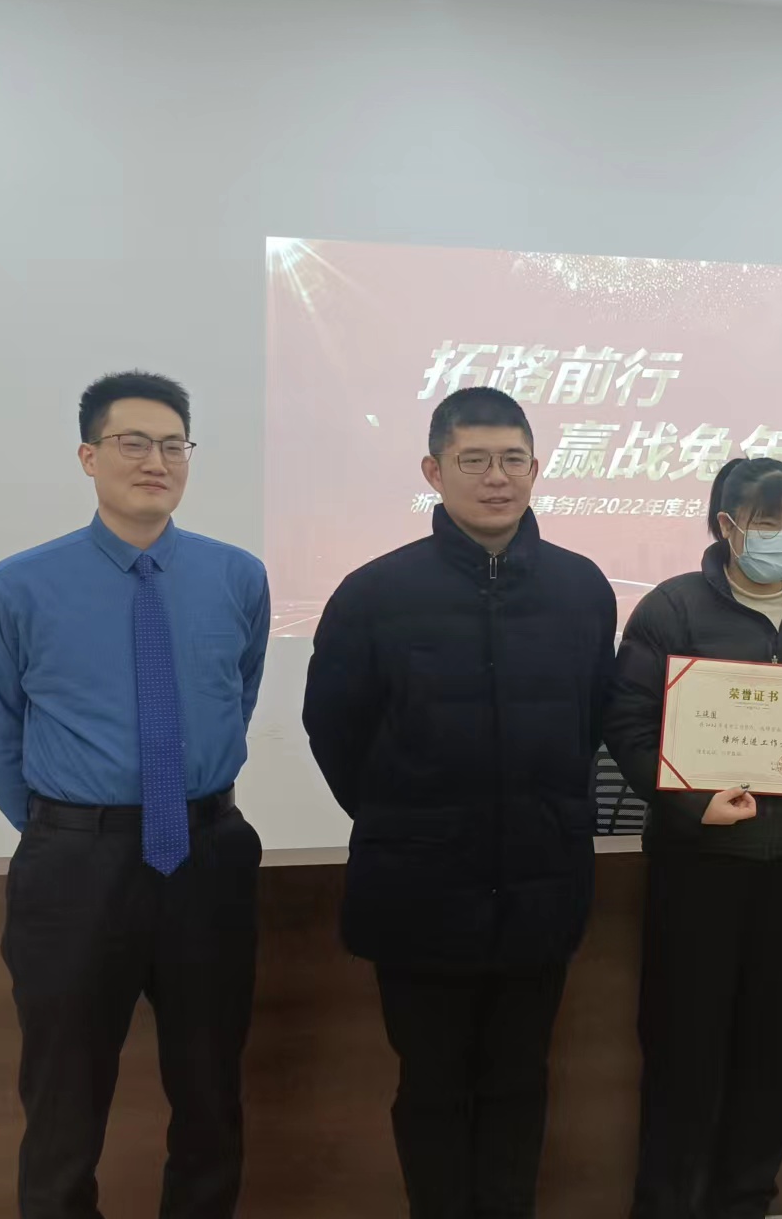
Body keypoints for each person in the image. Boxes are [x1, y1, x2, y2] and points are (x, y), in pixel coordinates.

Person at [301, 386, 616, 1219]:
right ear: (433, 471)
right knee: (432, 1085)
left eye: (513, 459)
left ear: (537, 468)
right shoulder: (374, 593)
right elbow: (334, 730)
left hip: (540, 887)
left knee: (520, 1081)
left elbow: (587, 721)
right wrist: (407, 821)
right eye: (474, 460)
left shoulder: (583, 589)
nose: (496, 477)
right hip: (419, 893)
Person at [0, 372, 269, 1219]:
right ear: (88, 456)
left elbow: (237, 694)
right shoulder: (14, 588)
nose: (155, 461)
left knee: (211, 1093)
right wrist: (63, 825)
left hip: (208, 858)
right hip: (75, 867)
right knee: (63, 1100)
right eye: (133, 443)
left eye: (173, 444)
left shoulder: (237, 576)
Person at [604, 456, 782, 1219]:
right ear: (727, 526)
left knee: (771, 1049)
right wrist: (692, 807)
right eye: (767, 522)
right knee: (683, 1048)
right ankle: (667, 1203)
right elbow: (627, 728)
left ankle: (745, 1201)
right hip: (701, 862)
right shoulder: (673, 610)